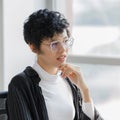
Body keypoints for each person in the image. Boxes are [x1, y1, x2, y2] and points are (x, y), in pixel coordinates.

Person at [6, 9, 103, 120]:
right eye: (54, 44)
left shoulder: (70, 80)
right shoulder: (21, 84)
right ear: (33, 47)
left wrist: (84, 91)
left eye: (65, 41)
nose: (63, 50)